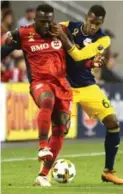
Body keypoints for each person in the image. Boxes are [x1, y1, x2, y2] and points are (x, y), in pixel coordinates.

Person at [1, 3, 106, 187]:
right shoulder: (24, 33)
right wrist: (7, 42)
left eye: (49, 21)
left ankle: (43, 175)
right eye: (42, 22)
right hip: (40, 82)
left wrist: (91, 64)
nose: (46, 26)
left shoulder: (60, 32)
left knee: (61, 128)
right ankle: (43, 146)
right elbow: (5, 49)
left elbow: (76, 59)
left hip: (62, 85)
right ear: (35, 20)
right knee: (47, 101)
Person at [40, 5, 123, 185]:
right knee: (63, 127)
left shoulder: (103, 39)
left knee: (113, 123)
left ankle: (108, 171)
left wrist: (90, 61)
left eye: (98, 23)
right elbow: (50, 28)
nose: (93, 26)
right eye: (91, 21)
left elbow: (78, 56)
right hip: (66, 86)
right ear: (87, 17)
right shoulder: (70, 25)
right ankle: (43, 173)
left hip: (88, 86)